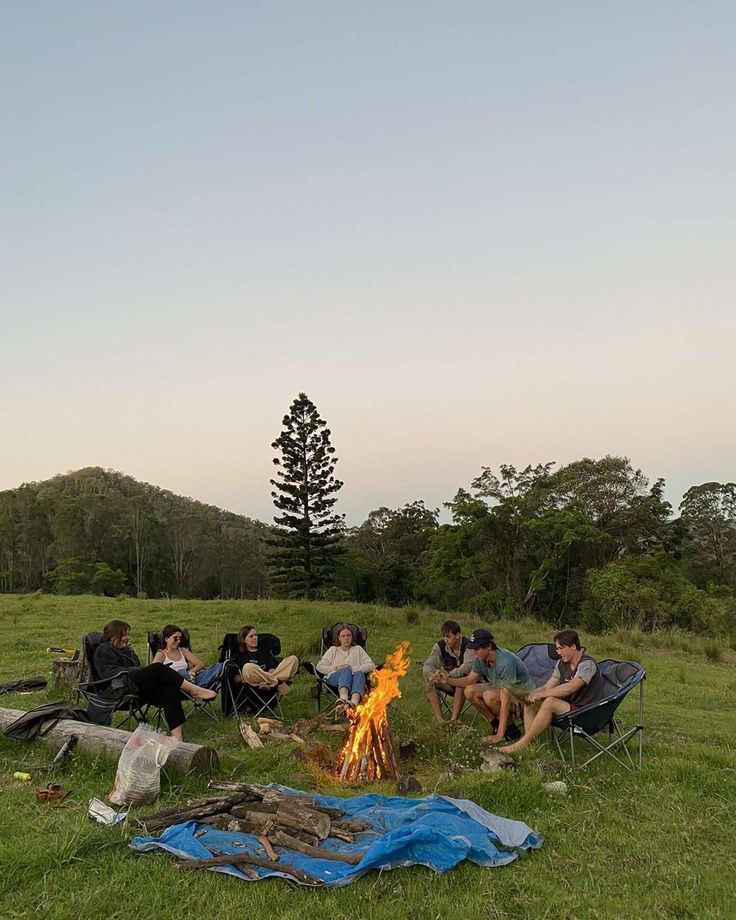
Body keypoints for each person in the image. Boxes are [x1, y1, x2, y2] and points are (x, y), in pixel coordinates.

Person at [91, 619, 216, 741]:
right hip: (116, 689)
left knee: (169, 689)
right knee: (157, 667)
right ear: (113, 637)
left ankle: (177, 738)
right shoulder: (104, 650)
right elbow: (109, 674)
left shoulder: (126, 650)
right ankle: (195, 690)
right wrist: (138, 671)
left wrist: (138, 669)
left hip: (133, 688)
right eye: (124, 635)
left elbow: (136, 668)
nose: (127, 637)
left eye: (127, 634)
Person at [503, 629, 604, 755]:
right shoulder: (562, 664)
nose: (558, 652)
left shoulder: (587, 665)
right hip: (569, 708)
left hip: (586, 711)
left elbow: (571, 687)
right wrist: (532, 694)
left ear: (573, 646)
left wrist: (542, 695)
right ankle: (530, 744)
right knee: (531, 703)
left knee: (550, 701)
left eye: (561, 648)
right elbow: (547, 686)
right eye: (557, 648)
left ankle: (521, 744)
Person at [440, 629, 533, 741]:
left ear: (489, 646)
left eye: (478, 648)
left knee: (489, 696)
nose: (475, 651)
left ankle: (509, 729)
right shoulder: (480, 658)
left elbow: (505, 700)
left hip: (522, 695)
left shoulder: (505, 663)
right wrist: (447, 680)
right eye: (474, 648)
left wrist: (499, 735)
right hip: (499, 687)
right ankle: (495, 724)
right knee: (469, 690)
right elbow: (470, 679)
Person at [423, 619, 475, 722]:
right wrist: (432, 675)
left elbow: (467, 667)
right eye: (444, 636)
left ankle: (453, 721)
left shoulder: (469, 646)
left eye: (449, 636)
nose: (446, 640)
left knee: (460, 683)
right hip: (448, 683)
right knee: (428, 684)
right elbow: (428, 664)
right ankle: (440, 720)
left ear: (457, 635)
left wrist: (448, 676)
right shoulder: (440, 646)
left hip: (467, 683)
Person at [316, 623, 375, 711]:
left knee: (359, 673)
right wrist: (336, 668)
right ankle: (343, 699)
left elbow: (371, 665)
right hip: (335, 680)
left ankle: (353, 703)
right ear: (339, 638)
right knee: (345, 671)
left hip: (355, 680)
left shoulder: (358, 649)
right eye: (343, 636)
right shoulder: (333, 650)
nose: (346, 638)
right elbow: (319, 667)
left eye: (348, 635)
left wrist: (353, 669)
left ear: (352, 637)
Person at [231, 625, 299, 697]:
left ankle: (269, 682)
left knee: (293, 659)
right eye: (251, 636)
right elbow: (236, 679)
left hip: (266, 685)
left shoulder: (264, 651)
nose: (255, 638)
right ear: (244, 640)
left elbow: (271, 669)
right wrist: (250, 675)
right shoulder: (238, 655)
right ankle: (278, 683)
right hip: (251, 683)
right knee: (248, 667)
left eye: (256, 635)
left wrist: (265, 677)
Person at [152, 624, 223, 688]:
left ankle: (199, 687)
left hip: (190, 680)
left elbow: (200, 664)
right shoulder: (161, 654)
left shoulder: (183, 650)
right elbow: (153, 672)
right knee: (182, 672)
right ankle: (199, 688)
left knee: (218, 666)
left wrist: (190, 673)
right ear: (166, 639)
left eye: (180, 638)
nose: (178, 641)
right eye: (175, 638)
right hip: (173, 685)